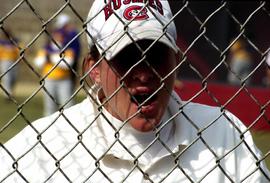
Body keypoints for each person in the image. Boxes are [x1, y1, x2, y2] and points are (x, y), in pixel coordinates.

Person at [1, 0, 270, 182]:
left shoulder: (224, 133)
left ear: (176, 61)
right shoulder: (36, 151)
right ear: (93, 68)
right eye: (126, 57)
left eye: (156, 55)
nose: (143, 73)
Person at [34, 29, 75, 115]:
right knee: (50, 105)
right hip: (49, 79)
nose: (58, 37)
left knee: (67, 104)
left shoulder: (67, 48)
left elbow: (68, 63)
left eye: (60, 35)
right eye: (55, 35)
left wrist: (50, 58)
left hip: (64, 80)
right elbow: (38, 62)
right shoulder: (46, 48)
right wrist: (58, 59)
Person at [54, 13, 81, 92]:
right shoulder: (66, 33)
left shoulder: (72, 33)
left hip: (72, 57)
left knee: (70, 78)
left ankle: (69, 91)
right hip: (65, 56)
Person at [0, 30, 20, 98]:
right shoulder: (1, 42)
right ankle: (7, 95)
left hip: (14, 61)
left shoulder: (14, 42)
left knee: (14, 78)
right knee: (7, 78)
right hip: (4, 61)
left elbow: (19, 51)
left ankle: (11, 92)